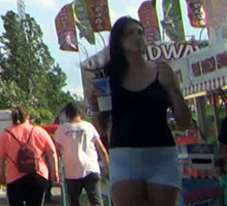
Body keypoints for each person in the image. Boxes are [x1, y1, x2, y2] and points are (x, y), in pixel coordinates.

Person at [97, 16, 191, 206]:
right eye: (130, 33)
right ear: (119, 42)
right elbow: (100, 127)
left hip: (161, 154)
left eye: (140, 32)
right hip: (124, 156)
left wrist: (172, 89)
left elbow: (184, 122)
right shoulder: (107, 78)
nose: (137, 37)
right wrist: (96, 105)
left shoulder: (162, 71)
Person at [0, 105, 59, 206]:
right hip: (38, 175)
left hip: (14, 177)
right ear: (27, 117)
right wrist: (54, 172)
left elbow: (0, 157)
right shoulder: (39, 131)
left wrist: (2, 174)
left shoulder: (6, 134)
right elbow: (51, 152)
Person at [53, 102, 108, 206]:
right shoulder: (89, 127)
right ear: (80, 112)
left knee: (74, 201)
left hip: (71, 171)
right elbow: (102, 150)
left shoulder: (61, 129)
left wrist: (56, 171)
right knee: (96, 201)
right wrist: (108, 167)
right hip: (91, 168)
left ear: (66, 114)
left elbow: (55, 152)